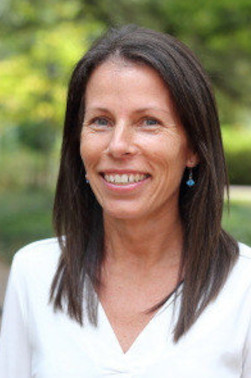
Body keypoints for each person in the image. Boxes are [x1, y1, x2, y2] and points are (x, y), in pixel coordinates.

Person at [0, 24, 250, 378]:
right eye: (100, 121)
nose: (118, 146)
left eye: (148, 122)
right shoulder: (35, 273)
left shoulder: (244, 286)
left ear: (193, 147)